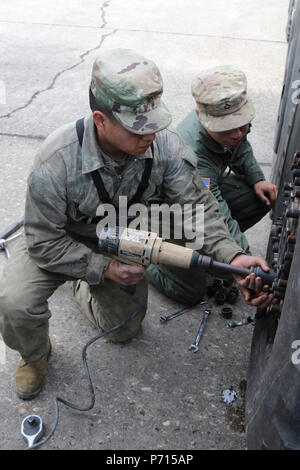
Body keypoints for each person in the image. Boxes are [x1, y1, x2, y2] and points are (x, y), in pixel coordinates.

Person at [0, 50, 272, 401]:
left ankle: (78, 286)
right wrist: (103, 268)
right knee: (14, 302)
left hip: (122, 232)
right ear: (101, 119)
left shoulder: (164, 146)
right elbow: (42, 241)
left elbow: (197, 207)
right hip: (59, 239)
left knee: (123, 331)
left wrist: (232, 257)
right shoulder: (56, 161)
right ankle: (35, 354)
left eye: (155, 122)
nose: (151, 135)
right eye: (138, 128)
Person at [147, 65, 277, 302]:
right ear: (200, 117)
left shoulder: (231, 128)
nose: (238, 133)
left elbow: (240, 147)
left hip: (200, 202)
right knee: (190, 293)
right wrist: (243, 265)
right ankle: (146, 260)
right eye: (228, 129)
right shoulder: (192, 154)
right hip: (167, 216)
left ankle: (213, 255)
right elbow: (214, 210)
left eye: (243, 124)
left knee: (261, 197)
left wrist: (257, 178)